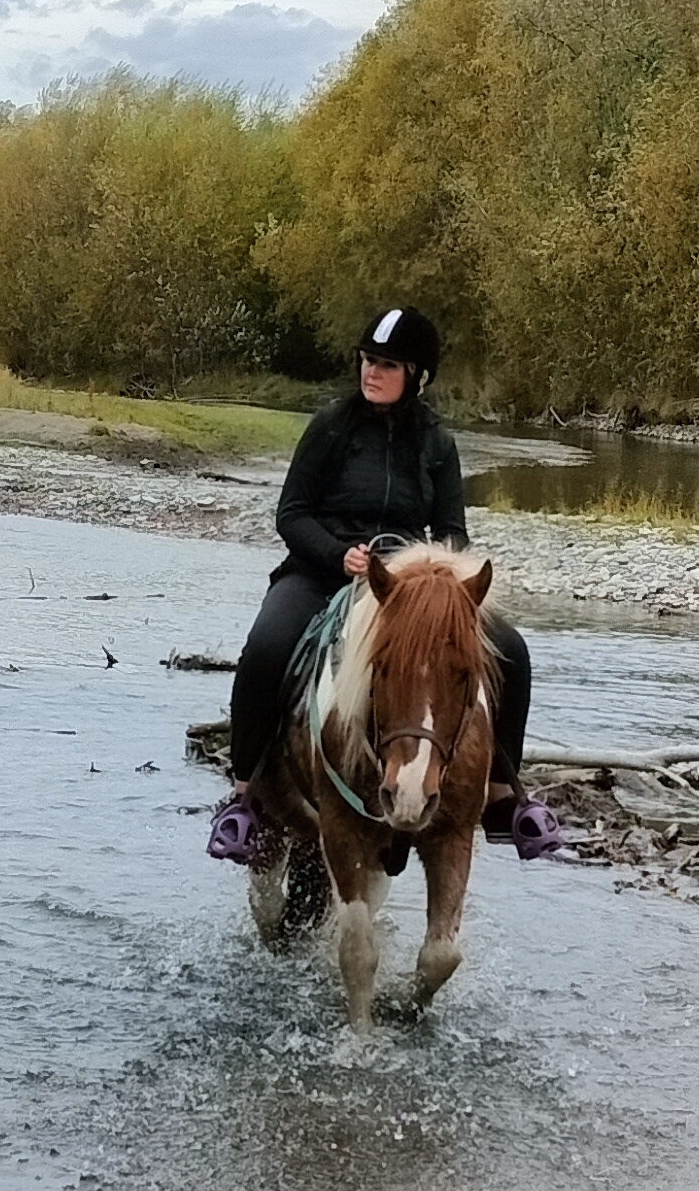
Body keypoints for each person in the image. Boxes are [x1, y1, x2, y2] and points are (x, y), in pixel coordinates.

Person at [208, 307, 561, 862]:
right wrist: (335, 552)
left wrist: (439, 581)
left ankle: (499, 797)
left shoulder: (437, 445)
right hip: (320, 574)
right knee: (267, 648)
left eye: (387, 364)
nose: (372, 371)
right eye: (368, 360)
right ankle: (243, 795)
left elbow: (451, 534)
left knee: (511, 650)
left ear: (416, 375)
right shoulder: (330, 426)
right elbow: (291, 513)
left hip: (407, 590)